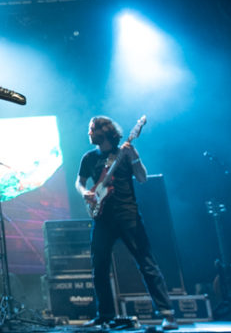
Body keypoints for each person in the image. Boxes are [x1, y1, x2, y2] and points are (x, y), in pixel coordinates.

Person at [75, 116, 178, 330]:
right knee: (99, 267)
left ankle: (167, 314)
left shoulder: (124, 153)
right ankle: (104, 315)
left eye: (92, 129)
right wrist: (85, 192)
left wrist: (135, 158)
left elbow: (142, 178)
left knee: (146, 263)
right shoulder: (89, 157)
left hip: (127, 215)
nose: (89, 133)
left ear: (105, 132)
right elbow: (80, 181)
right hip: (102, 218)